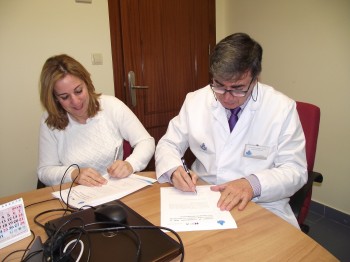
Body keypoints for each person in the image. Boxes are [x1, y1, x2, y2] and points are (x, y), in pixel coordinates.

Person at [155, 33, 307, 228]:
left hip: (260, 204)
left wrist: (252, 184)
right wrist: (174, 170)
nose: (227, 98)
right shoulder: (195, 100)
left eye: (238, 88)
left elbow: (295, 170)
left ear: (255, 78)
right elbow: (168, 144)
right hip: (204, 196)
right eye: (219, 85)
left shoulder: (281, 109)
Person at [38, 54, 155, 186]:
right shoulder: (49, 120)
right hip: (78, 194)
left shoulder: (111, 106)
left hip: (114, 188)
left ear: (87, 84)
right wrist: (73, 174)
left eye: (78, 91)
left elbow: (146, 141)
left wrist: (130, 164)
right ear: (55, 99)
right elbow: (45, 171)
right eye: (65, 97)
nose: (75, 101)